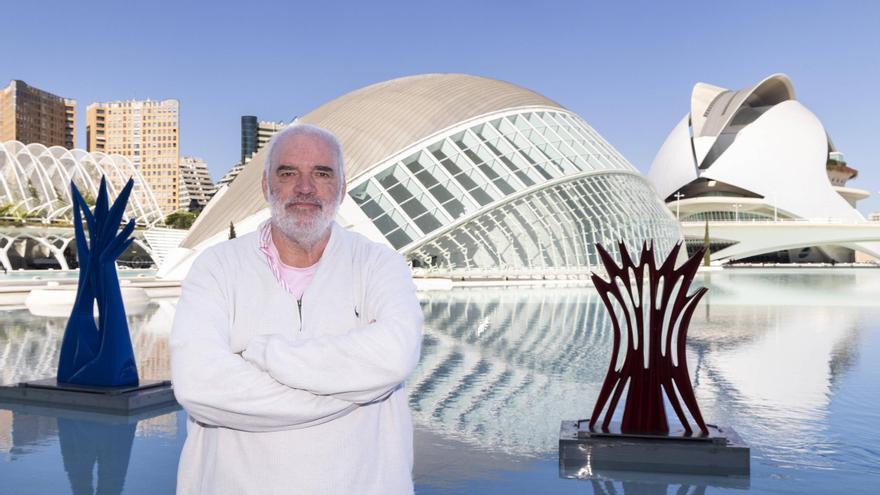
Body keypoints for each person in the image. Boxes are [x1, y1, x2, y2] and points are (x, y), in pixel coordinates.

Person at [170, 124, 423, 494]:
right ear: (265, 186)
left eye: (322, 173)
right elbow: (198, 385)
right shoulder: (216, 267)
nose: (305, 187)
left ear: (342, 187)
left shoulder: (380, 265)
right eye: (288, 173)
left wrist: (263, 354)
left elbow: (394, 356)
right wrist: (354, 386)